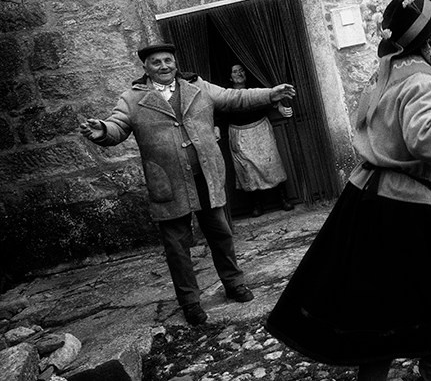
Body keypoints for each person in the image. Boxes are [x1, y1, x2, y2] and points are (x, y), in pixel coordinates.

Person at [265, 0, 431, 381]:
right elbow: (426, 138)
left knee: (376, 310)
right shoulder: (421, 80)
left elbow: (376, 130)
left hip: (366, 200)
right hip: (405, 207)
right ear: (429, 39)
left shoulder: (386, 73)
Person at [79, 42, 297, 326]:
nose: (163, 66)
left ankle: (234, 284)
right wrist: (103, 130)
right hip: (167, 182)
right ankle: (190, 302)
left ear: (175, 62)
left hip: (205, 176)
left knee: (221, 233)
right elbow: (117, 125)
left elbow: (235, 97)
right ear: (145, 68)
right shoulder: (132, 99)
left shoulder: (199, 88)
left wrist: (270, 94)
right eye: (156, 62)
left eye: (168, 60)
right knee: (176, 246)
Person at [220, 63, 295, 216]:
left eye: (241, 70)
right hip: (239, 135)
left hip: (260, 131)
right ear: (230, 76)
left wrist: (279, 106)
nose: (239, 73)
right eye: (235, 71)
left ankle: (283, 199)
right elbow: (218, 111)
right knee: (247, 172)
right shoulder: (225, 94)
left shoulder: (255, 88)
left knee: (272, 165)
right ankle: (256, 205)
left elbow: (271, 96)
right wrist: (215, 127)